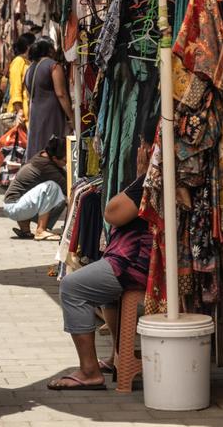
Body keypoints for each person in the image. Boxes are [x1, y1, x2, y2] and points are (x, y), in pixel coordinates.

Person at [47, 130, 155, 390]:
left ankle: (89, 371)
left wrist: (140, 176)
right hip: (136, 258)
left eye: (142, 144)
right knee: (106, 294)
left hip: (135, 261)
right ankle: (119, 356)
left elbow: (113, 213)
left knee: (72, 287)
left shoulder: (152, 178)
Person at [2, 135, 67, 241]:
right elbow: (67, 187)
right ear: (55, 158)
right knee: (52, 187)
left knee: (51, 193)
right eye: (65, 161)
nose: (67, 163)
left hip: (14, 204)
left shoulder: (44, 156)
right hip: (14, 207)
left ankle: (25, 229)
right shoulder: (45, 165)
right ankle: (41, 230)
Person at [24, 37, 75, 161]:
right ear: (50, 50)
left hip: (35, 112)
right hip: (51, 112)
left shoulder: (30, 68)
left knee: (38, 143)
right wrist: (71, 117)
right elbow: (61, 93)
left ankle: (38, 169)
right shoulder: (53, 66)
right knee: (52, 144)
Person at [8, 33, 36, 126]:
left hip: (27, 109)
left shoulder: (27, 61)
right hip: (21, 112)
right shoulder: (18, 61)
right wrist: (19, 111)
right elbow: (16, 88)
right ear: (28, 47)